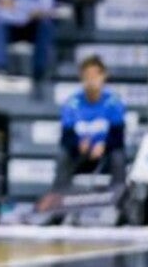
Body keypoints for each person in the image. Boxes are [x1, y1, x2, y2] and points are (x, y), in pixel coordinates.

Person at [52, 56, 127, 191]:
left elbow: (118, 135)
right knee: (63, 155)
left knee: (118, 155)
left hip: (105, 153)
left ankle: (119, 195)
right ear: (81, 78)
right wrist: (78, 144)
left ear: (104, 76)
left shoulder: (114, 102)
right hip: (80, 153)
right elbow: (66, 136)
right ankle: (59, 196)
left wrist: (104, 145)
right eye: (87, 76)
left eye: (95, 75)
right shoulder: (72, 103)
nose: (91, 80)